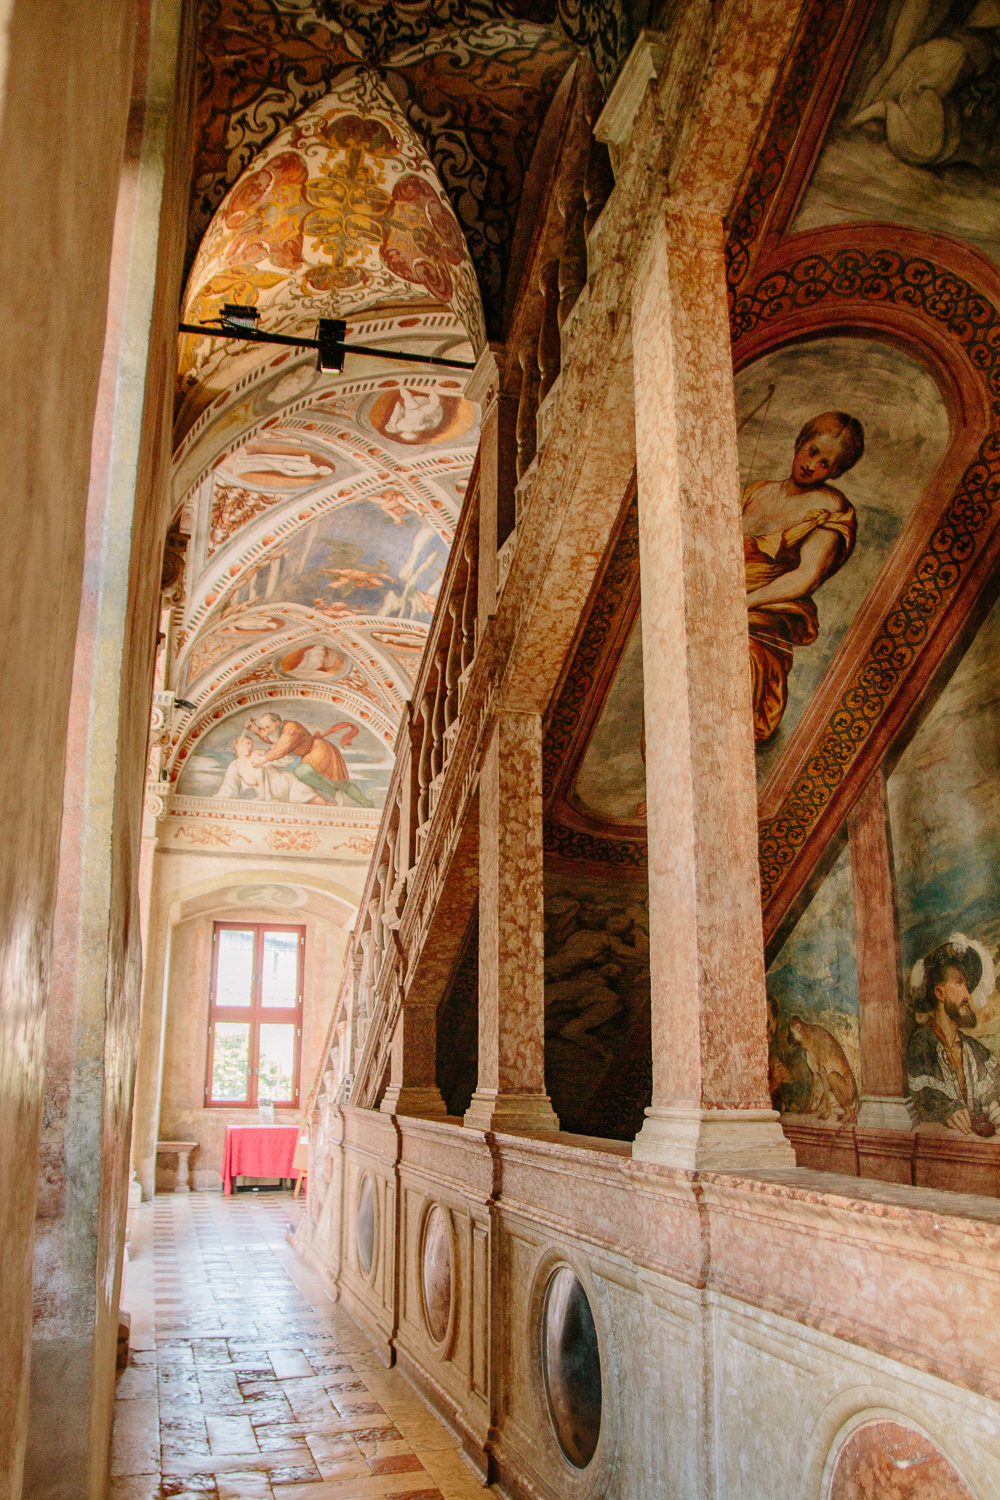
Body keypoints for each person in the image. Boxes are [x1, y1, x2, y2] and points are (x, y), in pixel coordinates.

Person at [743, 410, 864, 743]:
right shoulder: (758, 491)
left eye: (826, 463)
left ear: (836, 472)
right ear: (799, 443)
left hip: (763, 610)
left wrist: (742, 603)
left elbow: (807, 575)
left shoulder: (830, 507)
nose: (813, 465)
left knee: (738, 666)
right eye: (812, 452)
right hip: (718, 594)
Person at [906, 939, 1000, 1133]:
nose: (967, 995)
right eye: (959, 983)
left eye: (967, 986)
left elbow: (997, 1086)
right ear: (940, 993)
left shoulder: (974, 1049)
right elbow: (924, 1098)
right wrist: (947, 1111)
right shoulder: (922, 1044)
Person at [247, 712, 372, 806]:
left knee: (304, 772)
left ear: (277, 723)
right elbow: (272, 739)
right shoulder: (280, 730)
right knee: (336, 782)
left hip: (320, 750)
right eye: (264, 728)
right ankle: (343, 795)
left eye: (268, 727)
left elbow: (281, 748)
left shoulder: (291, 728)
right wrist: (256, 729)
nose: (267, 731)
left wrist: (263, 759)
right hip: (310, 754)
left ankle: (364, 803)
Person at [214, 732, 315, 802]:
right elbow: (228, 788)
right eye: (246, 744)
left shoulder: (258, 754)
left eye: (251, 744)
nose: (250, 747)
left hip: (288, 783)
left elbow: (284, 762)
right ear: (236, 746)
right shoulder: (234, 766)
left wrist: (274, 752)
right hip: (274, 796)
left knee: (316, 801)